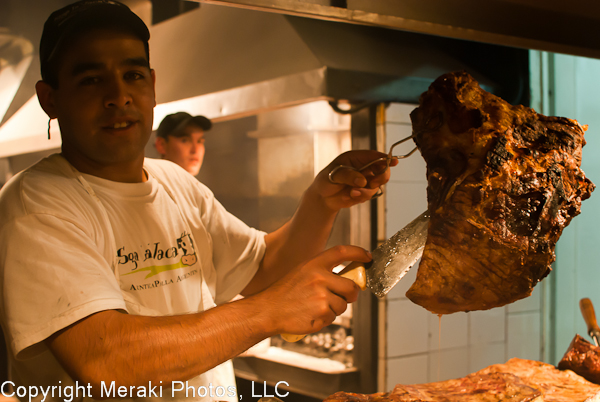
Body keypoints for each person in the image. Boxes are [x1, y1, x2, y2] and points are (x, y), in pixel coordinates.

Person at [0, 1, 397, 401]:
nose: (118, 96)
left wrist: (319, 202)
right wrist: (269, 310)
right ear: (50, 98)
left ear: (152, 85)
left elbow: (262, 266)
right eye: (90, 80)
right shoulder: (36, 203)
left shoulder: (174, 182)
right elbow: (106, 361)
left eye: (132, 74)